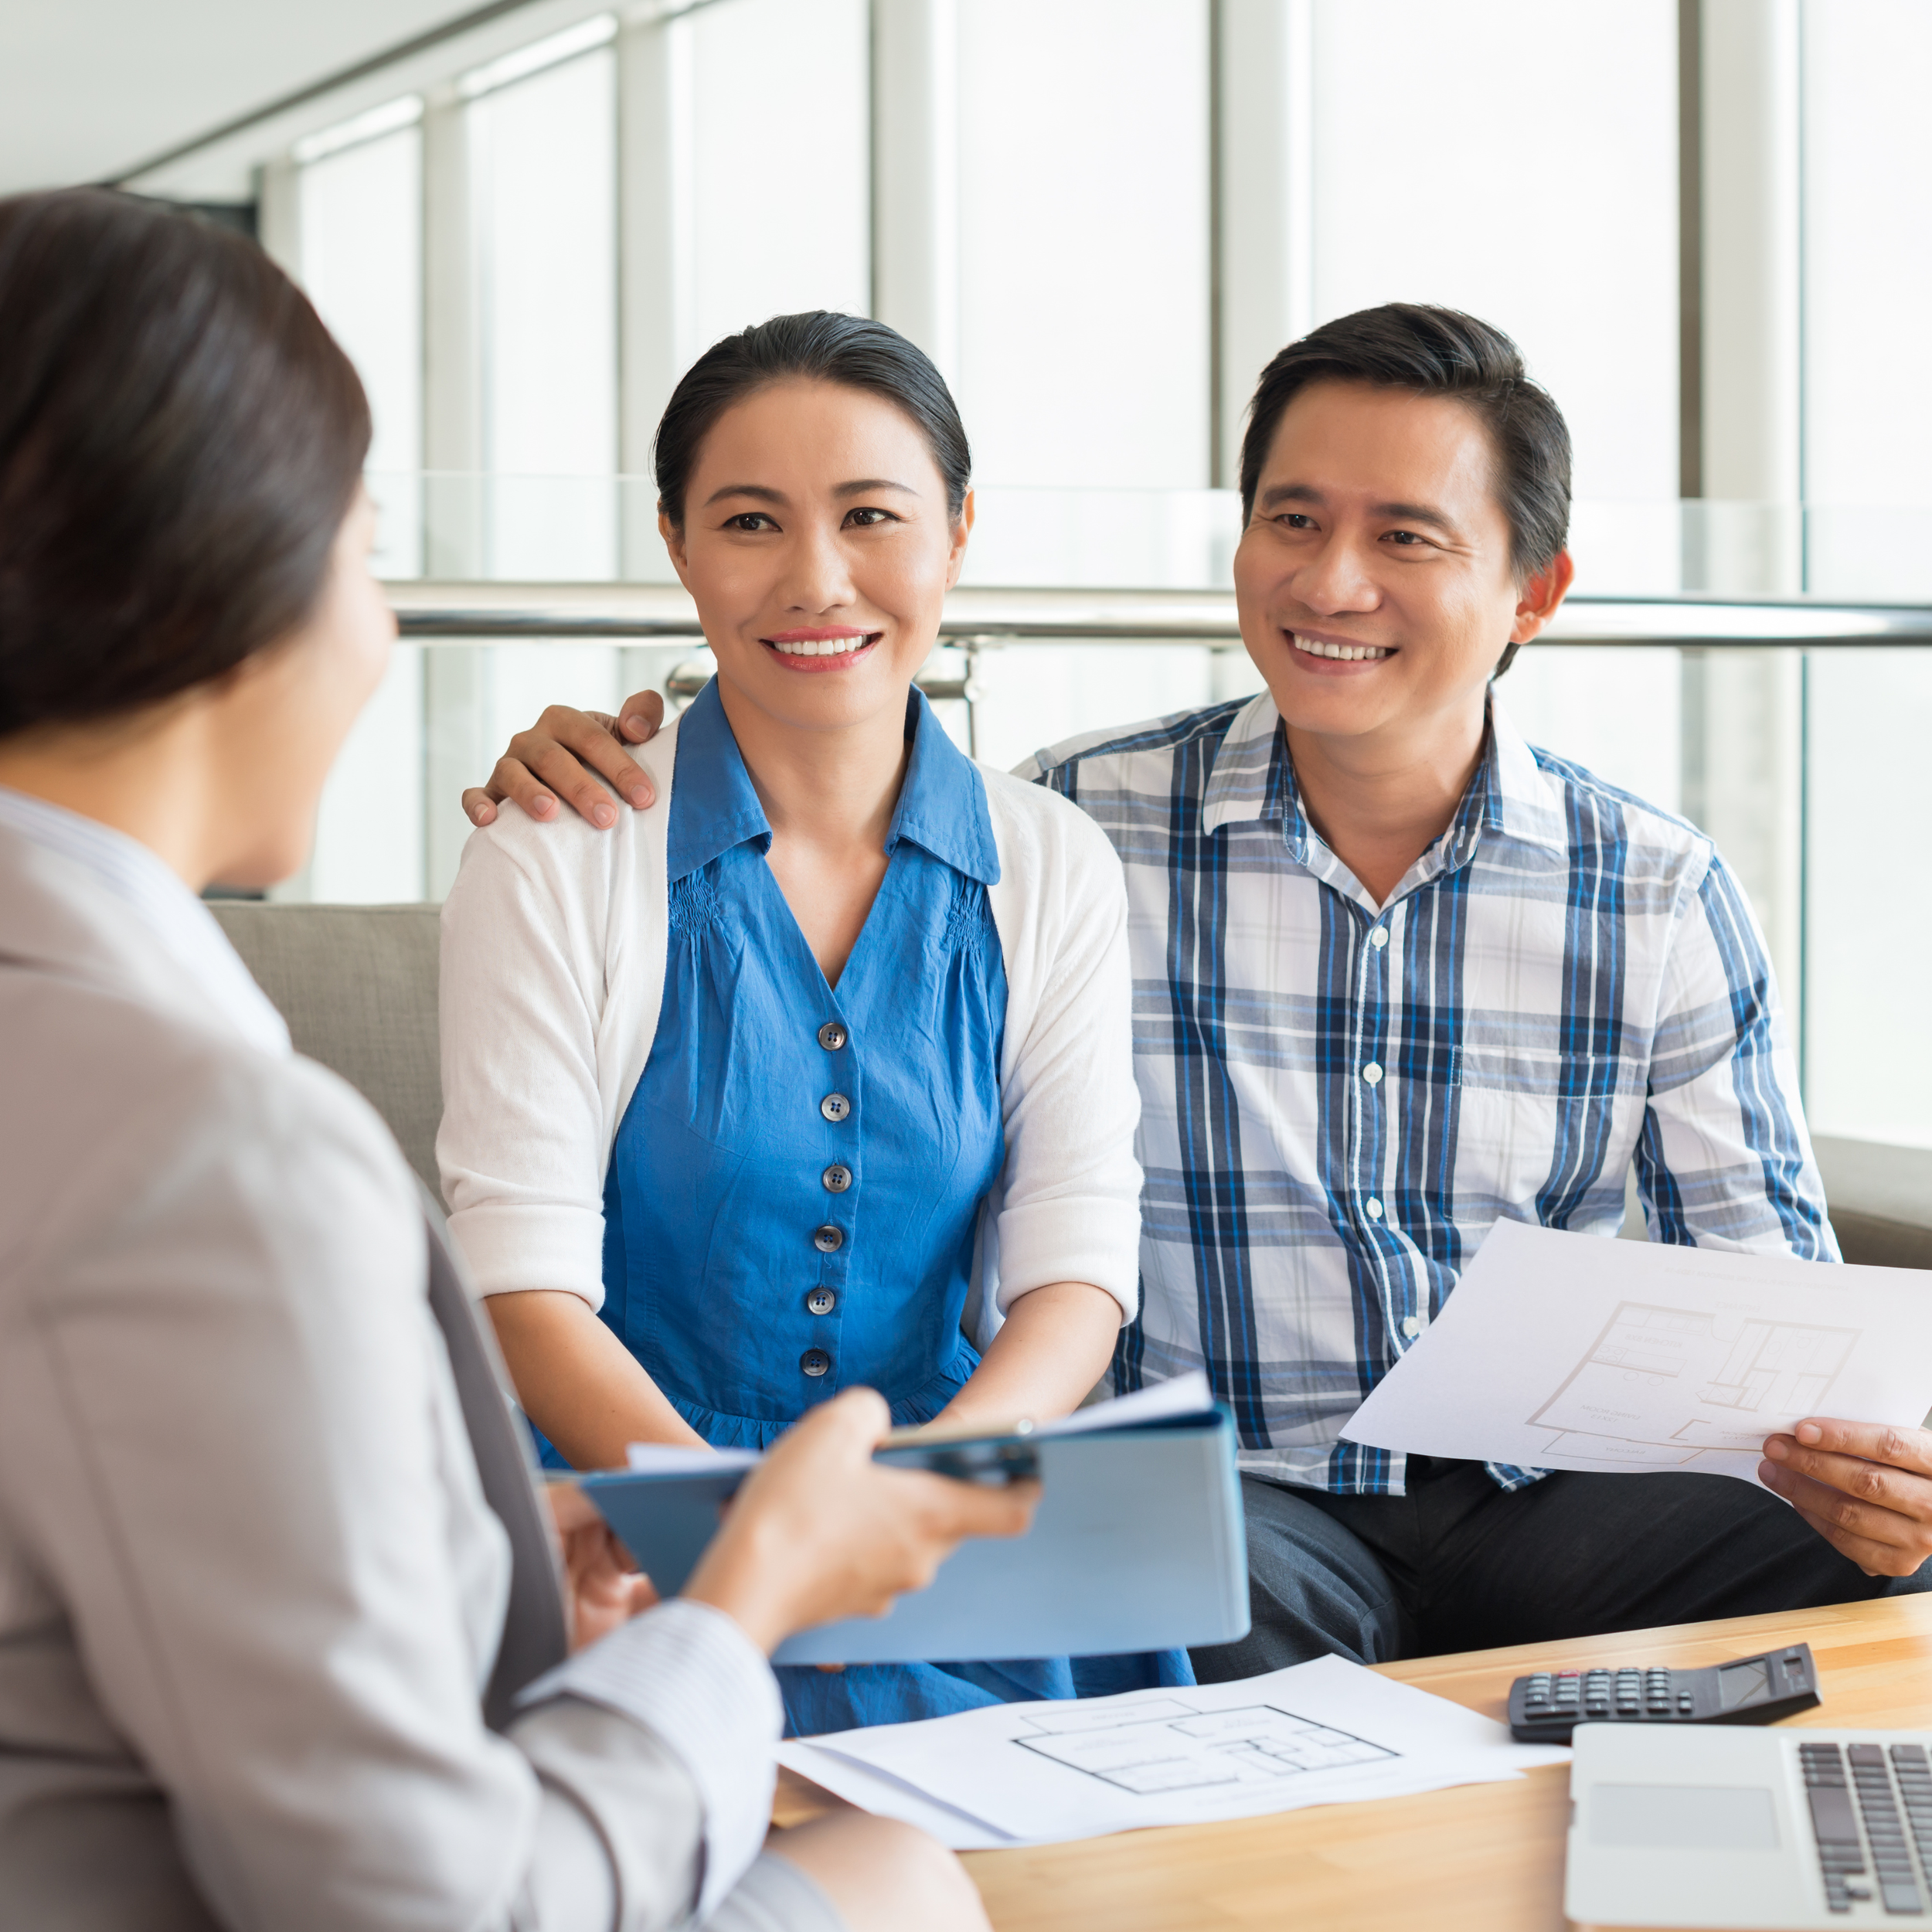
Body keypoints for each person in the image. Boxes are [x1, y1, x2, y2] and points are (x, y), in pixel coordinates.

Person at [472, 301, 1932, 1679]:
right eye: (1292, 520)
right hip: (1242, 1491)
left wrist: (1874, 1471)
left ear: (1531, 593)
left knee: (1891, 1569)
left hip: (1558, 1499)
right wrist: (584, 744)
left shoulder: (1656, 891)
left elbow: (1770, 1305)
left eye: (1403, 536)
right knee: (1167, 1593)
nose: (1329, 582)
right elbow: (823, 753)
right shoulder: (1073, 825)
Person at [0, 188, 1032, 1932]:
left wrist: (470, 1541)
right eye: (367, 543)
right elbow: (423, 1900)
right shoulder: (214, 1152)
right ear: (231, 583)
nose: (383, 625)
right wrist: (741, 1600)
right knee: (907, 1877)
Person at [436, 309, 1189, 1736]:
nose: (815, 578)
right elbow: (522, 1282)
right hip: (625, 1522)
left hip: (944, 1512)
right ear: (674, 542)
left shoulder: (1052, 862)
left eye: (871, 516)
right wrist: (760, 1545)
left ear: (959, 532)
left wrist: (926, 1498)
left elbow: (1078, 1259)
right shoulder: (552, 851)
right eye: (749, 521)